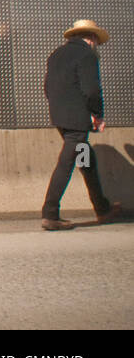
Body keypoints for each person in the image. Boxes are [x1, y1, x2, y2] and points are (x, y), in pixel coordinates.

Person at [41, 19, 121, 230]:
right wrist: (98, 114)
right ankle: (50, 214)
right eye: (97, 42)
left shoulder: (56, 54)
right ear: (92, 38)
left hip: (60, 117)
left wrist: (60, 108)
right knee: (66, 163)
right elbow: (92, 90)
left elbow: (47, 87)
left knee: (86, 160)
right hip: (77, 120)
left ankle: (102, 208)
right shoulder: (87, 55)